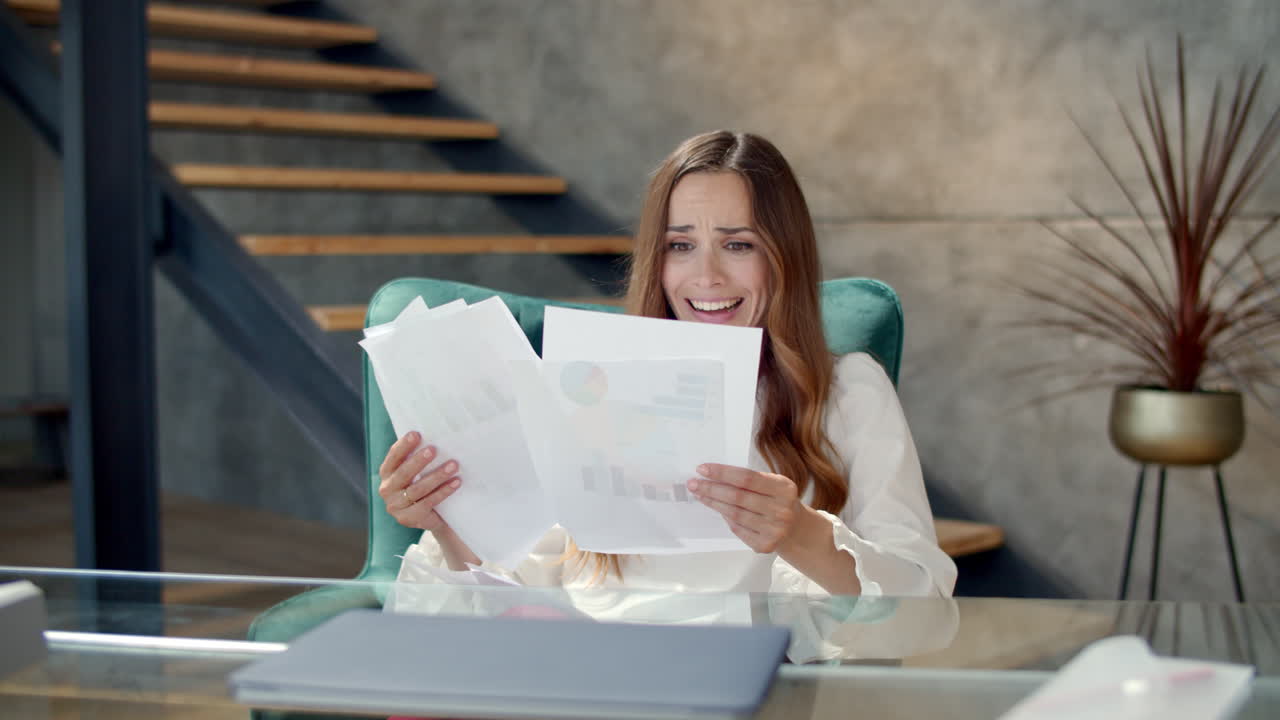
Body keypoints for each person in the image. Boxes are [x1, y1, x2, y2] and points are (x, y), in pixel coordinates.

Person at [378, 130, 956, 599]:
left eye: (739, 244)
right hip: (583, 676)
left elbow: (924, 607)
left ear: (786, 258)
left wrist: (802, 536)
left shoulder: (849, 391)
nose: (706, 277)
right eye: (680, 245)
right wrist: (449, 526)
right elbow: (517, 592)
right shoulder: (586, 385)